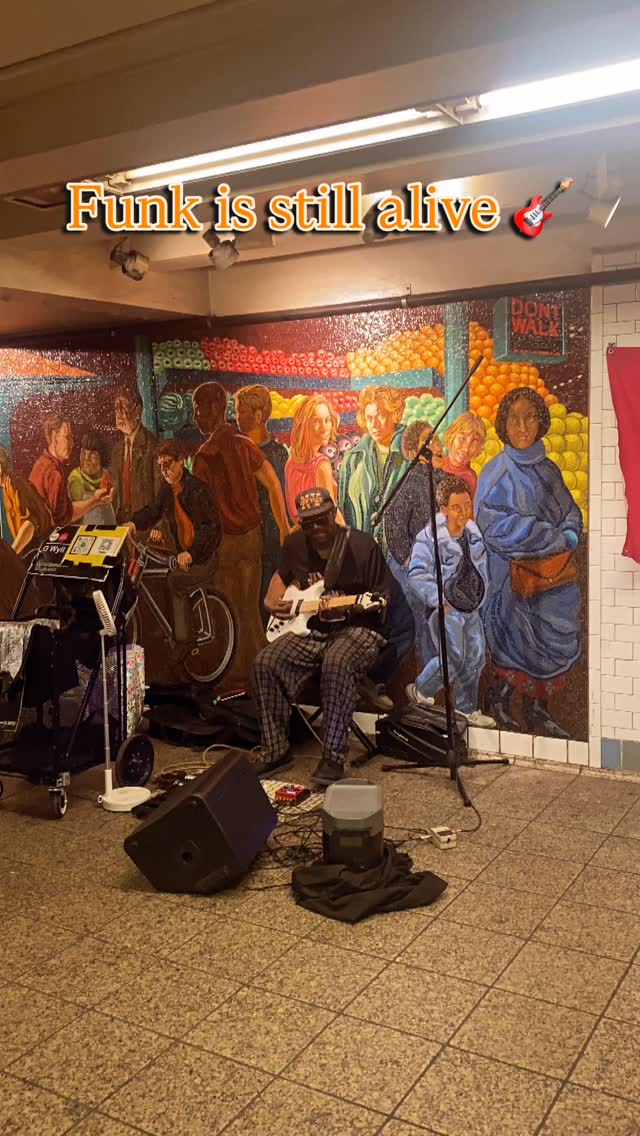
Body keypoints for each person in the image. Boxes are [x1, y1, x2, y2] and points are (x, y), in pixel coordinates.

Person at [253, 487, 393, 786]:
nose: (315, 528)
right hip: (312, 629)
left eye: (320, 520)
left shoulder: (361, 547)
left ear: (333, 514)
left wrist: (347, 610)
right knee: (265, 662)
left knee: (337, 660)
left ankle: (333, 757)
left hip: (361, 629)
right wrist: (270, 597)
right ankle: (276, 751)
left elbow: (381, 600)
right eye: (307, 523)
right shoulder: (294, 545)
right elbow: (282, 576)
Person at [475, 387, 582, 738]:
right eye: (514, 419)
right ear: (504, 424)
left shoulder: (549, 469)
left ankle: (537, 711)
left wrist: (568, 534)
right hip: (511, 579)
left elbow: (570, 513)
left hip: (551, 582)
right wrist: (548, 537)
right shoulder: (496, 471)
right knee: (513, 639)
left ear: (541, 421)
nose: (522, 426)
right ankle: (501, 702)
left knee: (547, 641)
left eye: (530, 418)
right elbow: (492, 524)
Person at [192, 381, 290, 684]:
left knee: (231, 616)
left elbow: (202, 515)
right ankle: (262, 673)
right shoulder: (244, 445)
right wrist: (284, 527)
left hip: (225, 547)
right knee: (249, 611)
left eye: (198, 410)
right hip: (252, 541)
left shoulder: (203, 458)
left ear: (213, 410)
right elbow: (273, 483)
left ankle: (238, 680)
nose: (195, 417)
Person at [407, 475, 496, 727]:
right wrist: (440, 600)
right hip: (447, 609)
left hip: (471, 608)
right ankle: (421, 690)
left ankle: (466, 709)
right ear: (443, 508)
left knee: (475, 658)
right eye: (457, 507)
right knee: (453, 657)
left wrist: (480, 597)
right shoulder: (429, 539)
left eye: (467, 505)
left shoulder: (473, 534)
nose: (464, 512)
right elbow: (416, 575)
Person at [126, 440, 221, 650]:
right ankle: (168, 630)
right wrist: (133, 523)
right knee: (158, 577)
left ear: (181, 462)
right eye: (161, 465)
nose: (164, 470)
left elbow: (211, 529)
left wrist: (192, 554)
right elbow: (153, 510)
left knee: (176, 580)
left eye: (168, 463)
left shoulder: (197, 490)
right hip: (185, 555)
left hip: (204, 558)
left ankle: (184, 641)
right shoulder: (168, 490)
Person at [234, 384, 288, 620]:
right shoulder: (238, 450)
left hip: (271, 537)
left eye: (240, 411)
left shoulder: (276, 454)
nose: (236, 417)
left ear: (257, 416)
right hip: (249, 538)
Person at [338, 385, 407, 546]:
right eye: (369, 418)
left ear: (395, 414)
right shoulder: (352, 460)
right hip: (363, 553)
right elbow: (343, 512)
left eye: (380, 415)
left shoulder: (409, 456)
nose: (374, 424)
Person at [29, 414, 111, 527]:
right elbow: (62, 519)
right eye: (68, 437)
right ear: (54, 437)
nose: (72, 443)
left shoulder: (40, 464)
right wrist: (95, 501)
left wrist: (96, 500)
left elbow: (65, 511)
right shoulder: (54, 473)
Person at [284, 395, 343, 522]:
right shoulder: (321, 464)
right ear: (304, 425)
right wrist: (349, 540)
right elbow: (332, 515)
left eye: (327, 420)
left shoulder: (291, 461)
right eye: (316, 421)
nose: (324, 428)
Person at [109, 388, 160, 523]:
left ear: (137, 411)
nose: (118, 413)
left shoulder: (152, 446)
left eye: (123, 406)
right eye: (116, 407)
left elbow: (161, 498)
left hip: (145, 527)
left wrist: (157, 529)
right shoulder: (117, 451)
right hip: (120, 526)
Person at [0, 447, 52, 556]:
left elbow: (30, 524)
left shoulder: (15, 485)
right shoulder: (7, 488)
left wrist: (11, 557)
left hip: (40, 549)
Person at [67, 432, 117, 526]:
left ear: (101, 456)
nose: (86, 458)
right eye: (83, 452)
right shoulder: (75, 479)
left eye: (92, 454)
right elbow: (74, 517)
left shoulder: (109, 476)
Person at [442, 411, 486, 499]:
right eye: (462, 439)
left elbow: (470, 511)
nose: (466, 448)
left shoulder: (470, 478)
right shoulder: (436, 464)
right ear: (451, 436)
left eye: (473, 443)